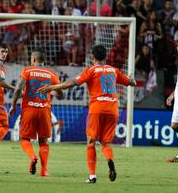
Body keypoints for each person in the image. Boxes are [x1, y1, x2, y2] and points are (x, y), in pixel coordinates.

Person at [38, 45, 136, 183]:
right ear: (105, 57)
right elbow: (132, 83)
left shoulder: (91, 70)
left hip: (97, 108)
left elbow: (70, 83)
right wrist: (131, 77)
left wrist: (52, 87)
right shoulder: (113, 70)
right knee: (105, 142)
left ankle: (92, 176)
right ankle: (110, 160)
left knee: (91, 142)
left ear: (92, 58)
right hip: (113, 109)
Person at [9, 50, 63, 177]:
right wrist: (52, 91)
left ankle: (32, 157)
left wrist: (13, 105)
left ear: (33, 59)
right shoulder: (52, 74)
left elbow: (18, 89)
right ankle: (44, 170)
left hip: (29, 110)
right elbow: (60, 94)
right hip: (44, 111)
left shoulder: (27, 71)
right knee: (43, 141)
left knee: (24, 139)